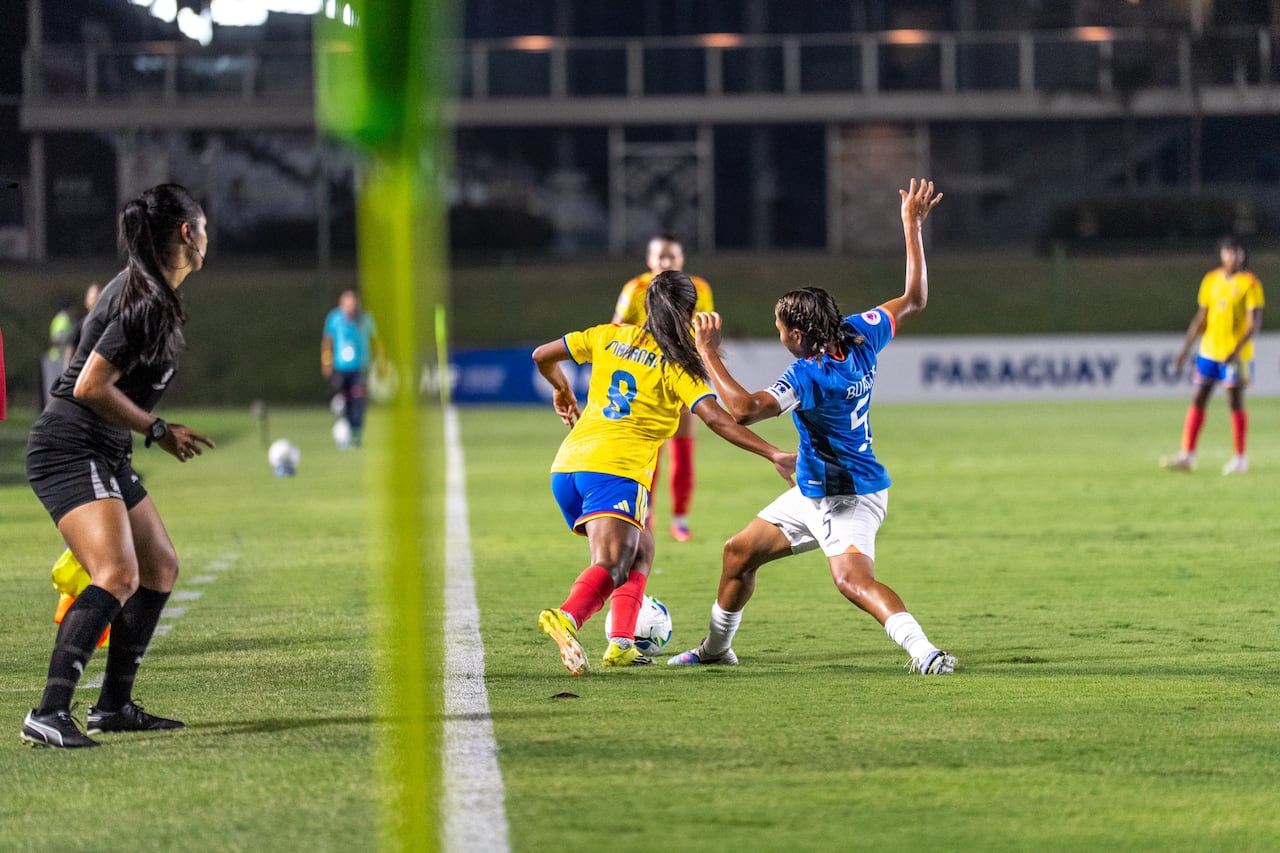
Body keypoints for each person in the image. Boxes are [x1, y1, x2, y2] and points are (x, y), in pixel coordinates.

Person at [668, 178, 956, 675]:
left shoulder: (807, 375)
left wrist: (708, 354)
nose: (779, 336)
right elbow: (914, 300)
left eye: (781, 330)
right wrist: (911, 226)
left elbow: (742, 409)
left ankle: (925, 652)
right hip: (816, 486)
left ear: (798, 334)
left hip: (845, 494)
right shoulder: (860, 334)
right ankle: (716, 649)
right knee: (738, 552)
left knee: (851, 581)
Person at [22, 183, 215, 749]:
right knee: (118, 574)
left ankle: (112, 707)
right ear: (186, 233)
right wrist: (157, 429)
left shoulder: (154, 292)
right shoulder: (145, 300)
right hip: (69, 445)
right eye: (203, 227)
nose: (207, 237)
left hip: (104, 448)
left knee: (159, 568)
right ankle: (49, 711)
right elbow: (88, 385)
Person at [534, 270, 796, 674]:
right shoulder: (678, 365)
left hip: (568, 467)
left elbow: (541, 355)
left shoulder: (607, 335)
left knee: (642, 548)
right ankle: (566, 617)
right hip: (615, 471)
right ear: (690, 312)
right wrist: (773, 454)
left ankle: (621, 643)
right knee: (612, 564)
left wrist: (561, 387)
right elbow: (720, 420)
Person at [613, 234, 714, 542]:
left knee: (683, 451)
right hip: (646, 381)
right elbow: (617, 329)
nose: (667, 262)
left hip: (681, 375)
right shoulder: (635, 289)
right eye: (661, 257)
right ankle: (646, 512)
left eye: (672, 257)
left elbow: (703, 328)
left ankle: (680, 520)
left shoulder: (698, 288)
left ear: (681, 260)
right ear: (650, 260)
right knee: (650, 451)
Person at [1164, 236, 1264, 475]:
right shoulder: (1211, 280)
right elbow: (1201, 318)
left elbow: (1254, 325)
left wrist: (1235, 351)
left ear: (1243, 255)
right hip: (1209, 352)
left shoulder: (1250, 283)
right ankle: (1187, 454)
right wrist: (1185, 350)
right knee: (1198, 397)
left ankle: (1240, 458)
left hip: (1236, 356)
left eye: (1237, 252)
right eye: (1229, 251)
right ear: (1222, 254)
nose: (1233, 256)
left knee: (1235, 402)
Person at [321, 288, 382, 449]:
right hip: (340, 368)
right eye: (347, 304)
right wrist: (326, 362)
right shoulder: (334, 318)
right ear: (341, 305)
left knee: (358, 401)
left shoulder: (365, 318)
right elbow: (327, 342)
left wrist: (380, 360)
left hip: (359, 368)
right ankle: (344, 430)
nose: (350, 308)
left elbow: (376, 339)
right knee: (342, 402)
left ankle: (357, 433)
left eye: (353, 304)